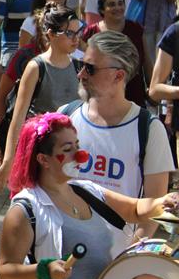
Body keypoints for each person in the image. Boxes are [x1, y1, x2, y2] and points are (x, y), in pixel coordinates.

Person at [0, 112, 179, 279]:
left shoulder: (87, 190)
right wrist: (44, 271)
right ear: (43, 159)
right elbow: (4, 272)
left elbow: (134, 209)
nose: (80, 155)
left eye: (77, 146)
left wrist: (163, 202)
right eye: (67, 149)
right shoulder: (25, 209)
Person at [64, 31, 173, 254]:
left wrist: (125, 261)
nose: (81, 74)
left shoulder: (149, 129)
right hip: (59, 258)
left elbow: (154, 210)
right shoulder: (66, 116)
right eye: (81, 65)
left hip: (114, 261)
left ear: (118, 75)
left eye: (90, 68)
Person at [0, 5, 83, 193]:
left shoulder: (79, 66)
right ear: (51, 34)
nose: (76, 39)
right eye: (69, 33)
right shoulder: (36, 67)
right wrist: (8, 162)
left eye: (78, 32)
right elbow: (18, 119)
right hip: (38, 154)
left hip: (67, 154)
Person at [81, 0, 148, 106]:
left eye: (120, 3)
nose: (117, 8)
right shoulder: (91, 32)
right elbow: (84, 64)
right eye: (111, 4)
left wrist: (151, 87)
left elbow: (147, 61)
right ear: (102, 9)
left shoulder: (136, 29)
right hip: (101, 94)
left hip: (133, 91)